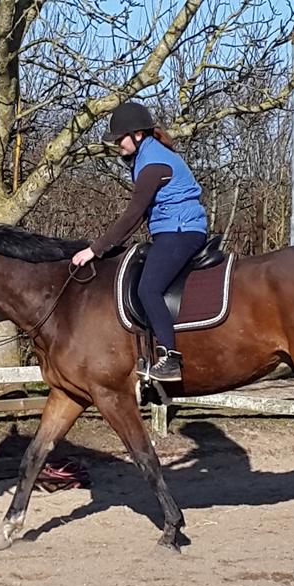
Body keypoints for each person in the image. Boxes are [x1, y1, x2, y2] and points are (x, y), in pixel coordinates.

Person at [71, 102, 208, 382]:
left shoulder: (154, 163)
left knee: (148, 288)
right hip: (170, 230)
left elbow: (133, 214)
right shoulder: (148, 157)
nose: (117, 145)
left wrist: (94, 250)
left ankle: (170, 358)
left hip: (181, 231)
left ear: (137, 135)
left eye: (120, 139)